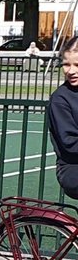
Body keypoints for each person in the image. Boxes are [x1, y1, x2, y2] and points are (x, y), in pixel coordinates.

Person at [47, 35, 78, 198]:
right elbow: (70, 144)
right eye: (66, 65)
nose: (71, 71)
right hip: (73, 168)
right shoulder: (60, 99)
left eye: (77, 65)